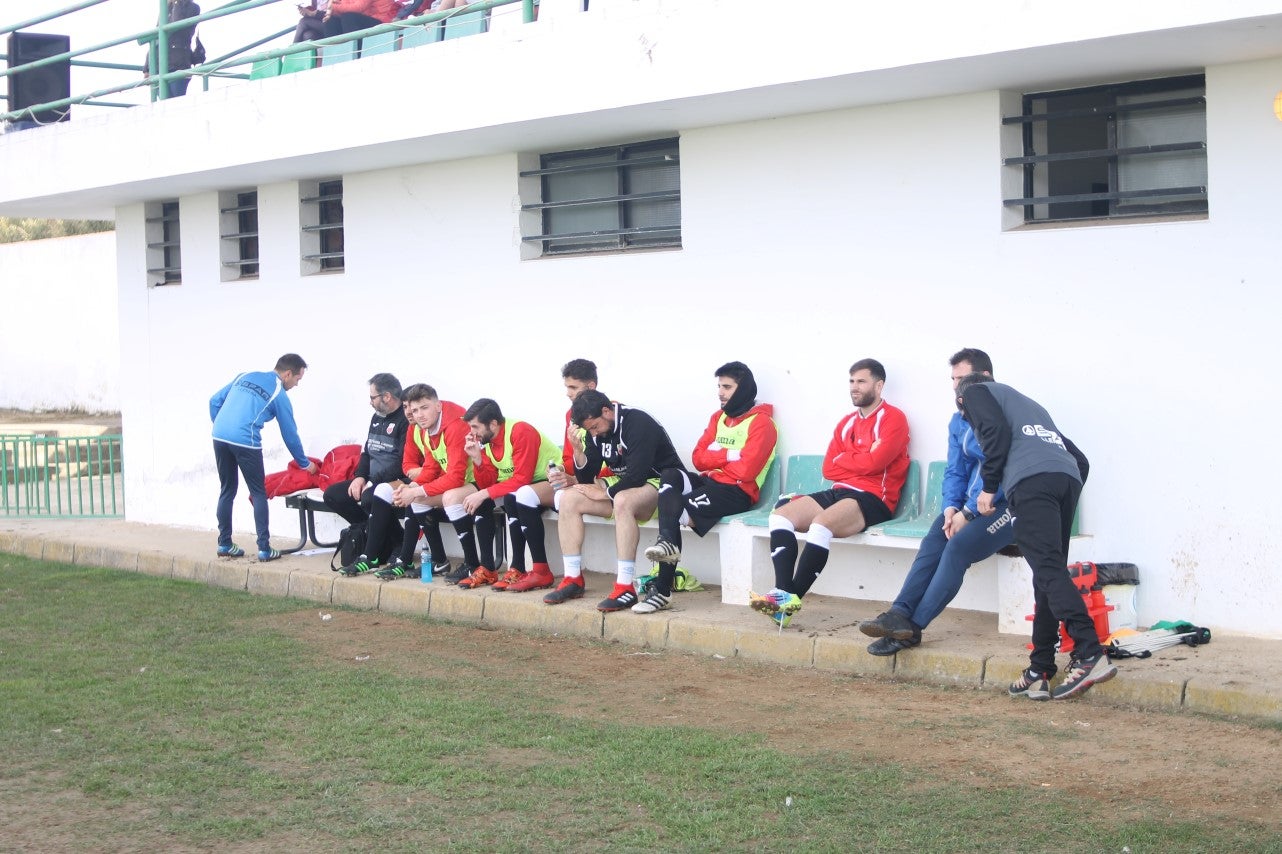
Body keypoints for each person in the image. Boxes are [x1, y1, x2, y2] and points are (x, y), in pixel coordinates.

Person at [956, 373, 1111, 700]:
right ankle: (1040, 668)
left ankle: (1089, 651)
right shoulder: (1031, 407)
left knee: (1049, 573)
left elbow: (994, 432)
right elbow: (1079, 459)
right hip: (1065, 482)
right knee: (1048, 574)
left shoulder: (975, 393)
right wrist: (1061, 491)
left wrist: (989, 487)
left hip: (1032, 486)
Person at [858, 349, 1014, 654]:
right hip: (970, 508)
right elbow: (956, 470)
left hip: (1009, 507)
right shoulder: (960, 421)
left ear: (983, 378)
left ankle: (913, 629)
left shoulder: (1006, 413)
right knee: (934, 540)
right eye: (952, 379)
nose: (956, 387)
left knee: (957, 547)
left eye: (961, 379)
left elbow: (1003, 469)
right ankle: (898, 615)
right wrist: (951, 508)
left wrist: (967, 513)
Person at [750, 358, 910, 628]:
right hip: (839, 492)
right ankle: (781, 594)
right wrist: (860, 458)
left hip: (874, 498)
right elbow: (829, 466)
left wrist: (847, 459)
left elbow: (876, 464)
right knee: (780, 517)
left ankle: (789, 600)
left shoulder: (893, 418)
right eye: (851, 381)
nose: (854, 387)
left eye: (861, 381)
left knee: (820, 525)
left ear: (879, 385)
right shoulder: (847, 422)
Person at [636, 362, 778, 614]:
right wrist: (732, 454)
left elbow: (746, 471)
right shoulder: (718, 417)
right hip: (711, 482)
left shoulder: (762, 423)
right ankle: (666, 546)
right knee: (671, 475)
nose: (721, 393)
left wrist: (719, 455)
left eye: (727, 387)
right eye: (719, 387)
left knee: (673, 506)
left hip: (738, 492)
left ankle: (663, 590)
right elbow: (698, 457)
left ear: (743, 389)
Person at [545, 389, 685, 612]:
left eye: (595, 426)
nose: (594, 433)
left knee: (621, 500)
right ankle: (572, 579)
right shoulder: (594, 431)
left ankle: (625, 587)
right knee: (569, 498)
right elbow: (586, 477)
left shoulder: (637, 421)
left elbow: (638, 475)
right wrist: (578, 452)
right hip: (624, 486)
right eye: (589, 430)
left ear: (606, 411)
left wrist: (604, 493)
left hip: (663, 484)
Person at [210, 353, 317, 561]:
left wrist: (222, 426)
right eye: (297, 379)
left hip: (219, 436)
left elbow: (214, 401)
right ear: (287, 374)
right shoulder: (279, 394)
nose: (297, 385)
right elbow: (290, 434)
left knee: (227, 490)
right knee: (258, 492)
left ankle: (224, 544)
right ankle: (264, 548)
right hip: (245, 440)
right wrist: (304, 463)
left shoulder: (245, 375)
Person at [454, 398, 561, 590]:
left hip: (554, 482)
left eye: (475, 427)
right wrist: (477, 459)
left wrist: (483, 492)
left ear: (493, 424)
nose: (472, 433)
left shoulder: (520, 431)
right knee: (484, 502)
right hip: (524, 488)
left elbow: (522, 478)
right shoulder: (488, 441)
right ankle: (487, 569)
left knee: (513, 496)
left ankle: (518, 567)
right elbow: (489, 482)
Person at [383, 384, 475, 581]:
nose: (419, 415)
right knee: (415, 497)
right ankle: (439, 561)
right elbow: (432, 468)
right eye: (414, 410)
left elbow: (456, 477)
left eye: (424, 408)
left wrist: (418, 490)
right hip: (460, 482)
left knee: (449, 497)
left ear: (438, 406)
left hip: (482, 480)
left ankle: (472, 564)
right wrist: (410, 487)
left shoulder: (456, 426)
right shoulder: (426, 427)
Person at [327, 373, 410, 574]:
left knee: (369, 498)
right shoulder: (376, 417)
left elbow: (403, 463)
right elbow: (367, 451)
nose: (370, 402)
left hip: (394, 480)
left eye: (373, 397)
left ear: (387, 397)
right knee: (333, 495)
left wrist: (374, 481)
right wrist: (360, 477)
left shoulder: (405, 421)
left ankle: (397, 542)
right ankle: (377, 534)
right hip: (371, 480)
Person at [153, 0, 200, 98]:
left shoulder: (192, 7)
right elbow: (155, 37)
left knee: (176, 103)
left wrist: (177, 3)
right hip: (160, 66)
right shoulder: (165, 8)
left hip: (179, 64)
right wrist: (147, 67)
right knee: (163, 106)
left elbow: (178, 26)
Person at [323, 0, 398, 38]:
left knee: (349, 17)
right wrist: (330, 12)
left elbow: (357, 8)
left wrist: (332, 6)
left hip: (382, 22)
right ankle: (335, 55)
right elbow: (343, 8)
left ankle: (355, 51)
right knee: (331, 21)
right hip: (362, 20)